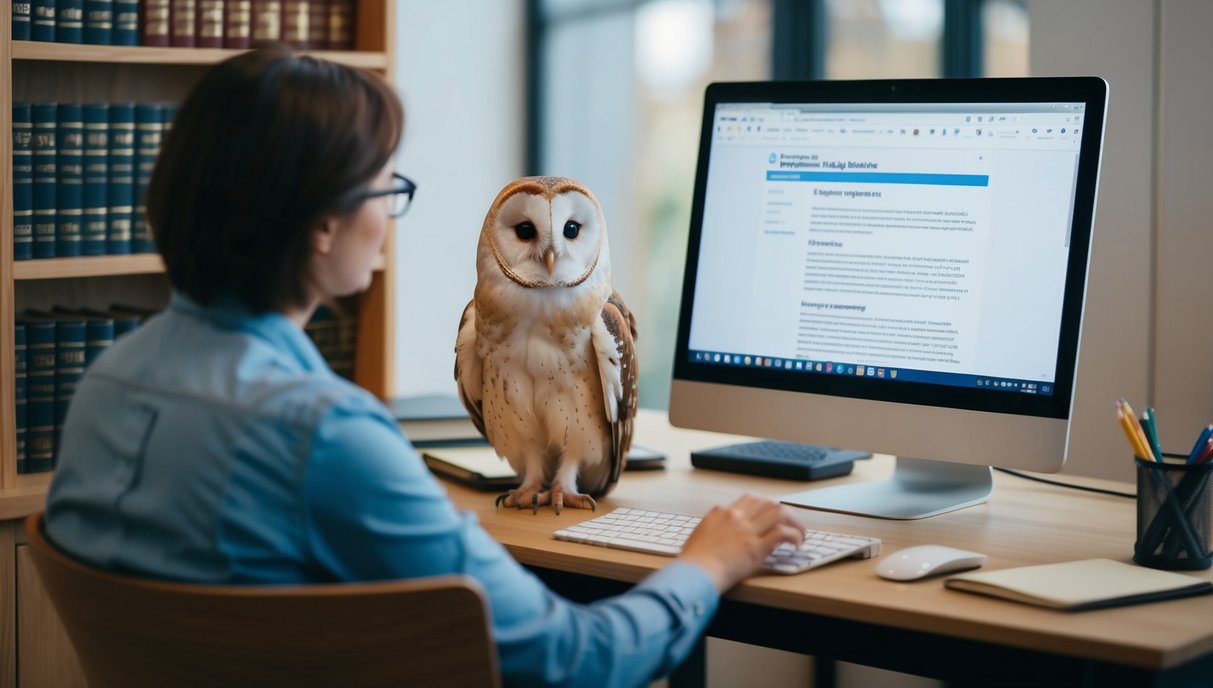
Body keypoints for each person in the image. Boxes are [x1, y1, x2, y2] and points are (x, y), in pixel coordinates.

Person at [44, 45, 805, 688]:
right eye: (383, 183)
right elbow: (576, 661)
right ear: (321, 223)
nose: (389, 211)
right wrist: (706, 563)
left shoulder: (101, 386)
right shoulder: (326, 434)